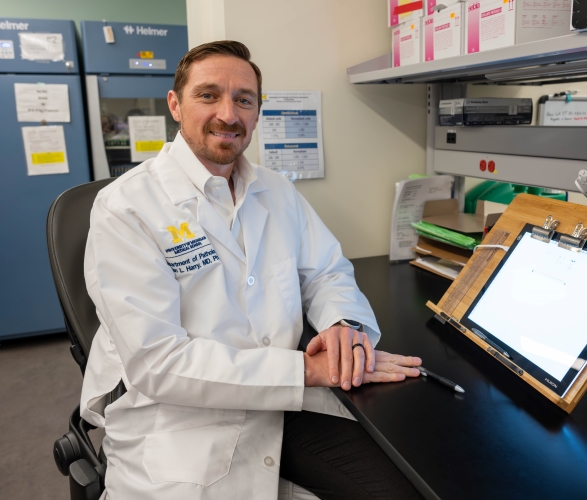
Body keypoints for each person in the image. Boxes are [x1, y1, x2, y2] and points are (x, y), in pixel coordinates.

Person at [80, 40, 424, 500]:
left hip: (285, 411)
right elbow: (158, 364)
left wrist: (341, 323)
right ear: (175, 105)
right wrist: (305, 370)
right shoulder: (126, 207)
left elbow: (326, 271)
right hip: (182, 425)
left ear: (258, 111)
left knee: (409, 486)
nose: (228, 113)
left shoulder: (276, 189)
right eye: (208, 95)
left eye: (244, 99)